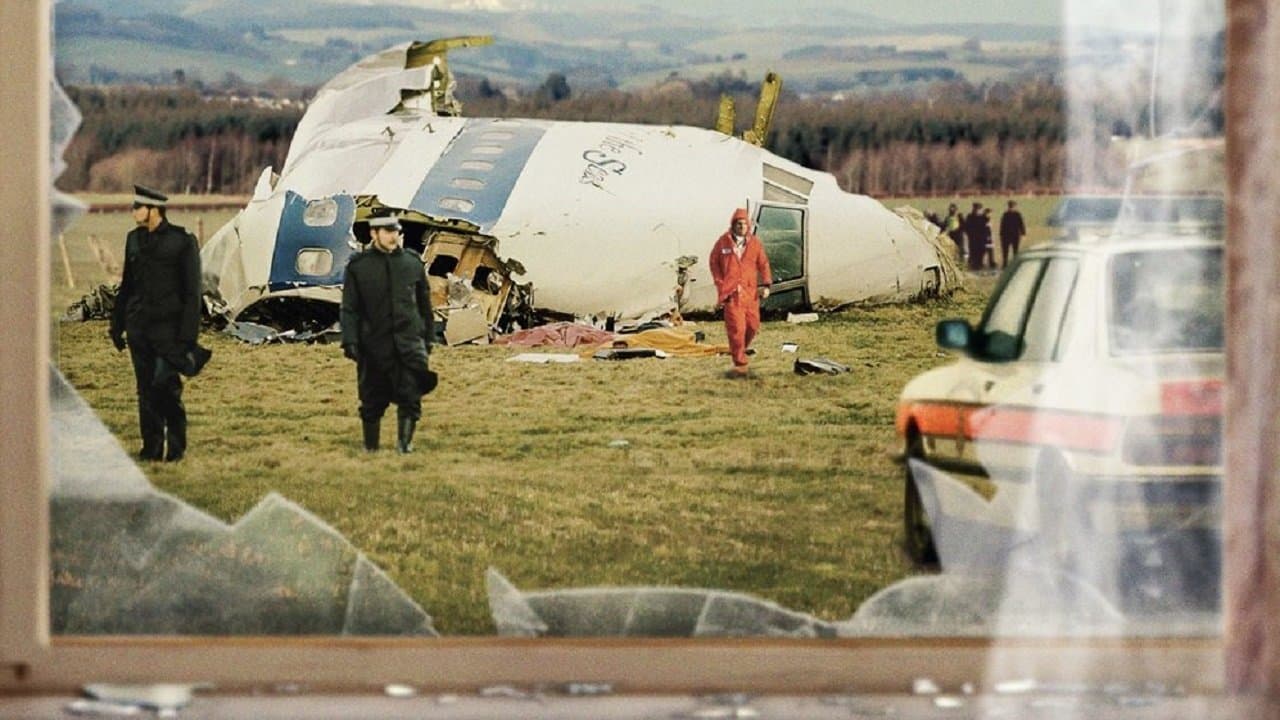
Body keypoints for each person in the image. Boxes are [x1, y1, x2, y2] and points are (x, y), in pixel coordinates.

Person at [109, 185, 207, 462]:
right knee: (145, 390)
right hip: (138, 327)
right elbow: (127, 286)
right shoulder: (133, 240)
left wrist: (188, 338)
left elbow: (192, 294)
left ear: (153, 210)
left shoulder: (181, 242)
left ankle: (176, 449)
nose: (133, 212)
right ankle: (151, 448)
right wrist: (117, 325)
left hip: (170, 331)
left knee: (166, 386)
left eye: (137, 207)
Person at [340, 214, 435, 453]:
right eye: (387, 231)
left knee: (411, 395)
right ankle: (371, 448)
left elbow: (425, 305)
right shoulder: (359, 267)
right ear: (374, 233)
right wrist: (350, 340)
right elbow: (349, 308)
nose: (394, 236)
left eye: (396, 231)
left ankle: (405, 446)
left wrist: (428, 337)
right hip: (373, 344)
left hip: (410, 341)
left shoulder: (412, 263)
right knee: (372, 398)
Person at [708, 207, 772, 377]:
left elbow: (763, 264)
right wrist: (721, 284)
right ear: (733, 225)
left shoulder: (755, 243)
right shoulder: (723, 242)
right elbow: (714, 263)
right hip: (732, 294)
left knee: (753, 325)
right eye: (739, 224)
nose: (742, 227)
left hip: (750, 293)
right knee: (737, 329)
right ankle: (740, 363)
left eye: (744, 224)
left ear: (748, 225)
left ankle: (739, 350)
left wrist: (766, 285)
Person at [999, 199, 1027, 267]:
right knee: (1005, 250)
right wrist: (1001, 234)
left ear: (1014, 207)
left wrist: (1023, 233)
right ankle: (1005, 263)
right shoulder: (1005, 214)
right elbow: (1002, 224)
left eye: (1012, 206)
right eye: (1010, 206)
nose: (1011, 207)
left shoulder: (1017, 214)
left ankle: (1014, 263)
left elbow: (1021, 224)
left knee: (1015, 250)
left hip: (1015, 235)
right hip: (1006, 235)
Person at [964, 202, 985, 272]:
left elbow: (985, 228)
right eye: (976, 209)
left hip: (981, 238)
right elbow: (966, 227)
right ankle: (973, 265)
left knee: (981, 252)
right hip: (973, 238)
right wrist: (970, 234)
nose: (977, 210)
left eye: (978, 209)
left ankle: (979, 264)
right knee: (973, 251)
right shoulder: (970, 217)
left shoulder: (983, 217)